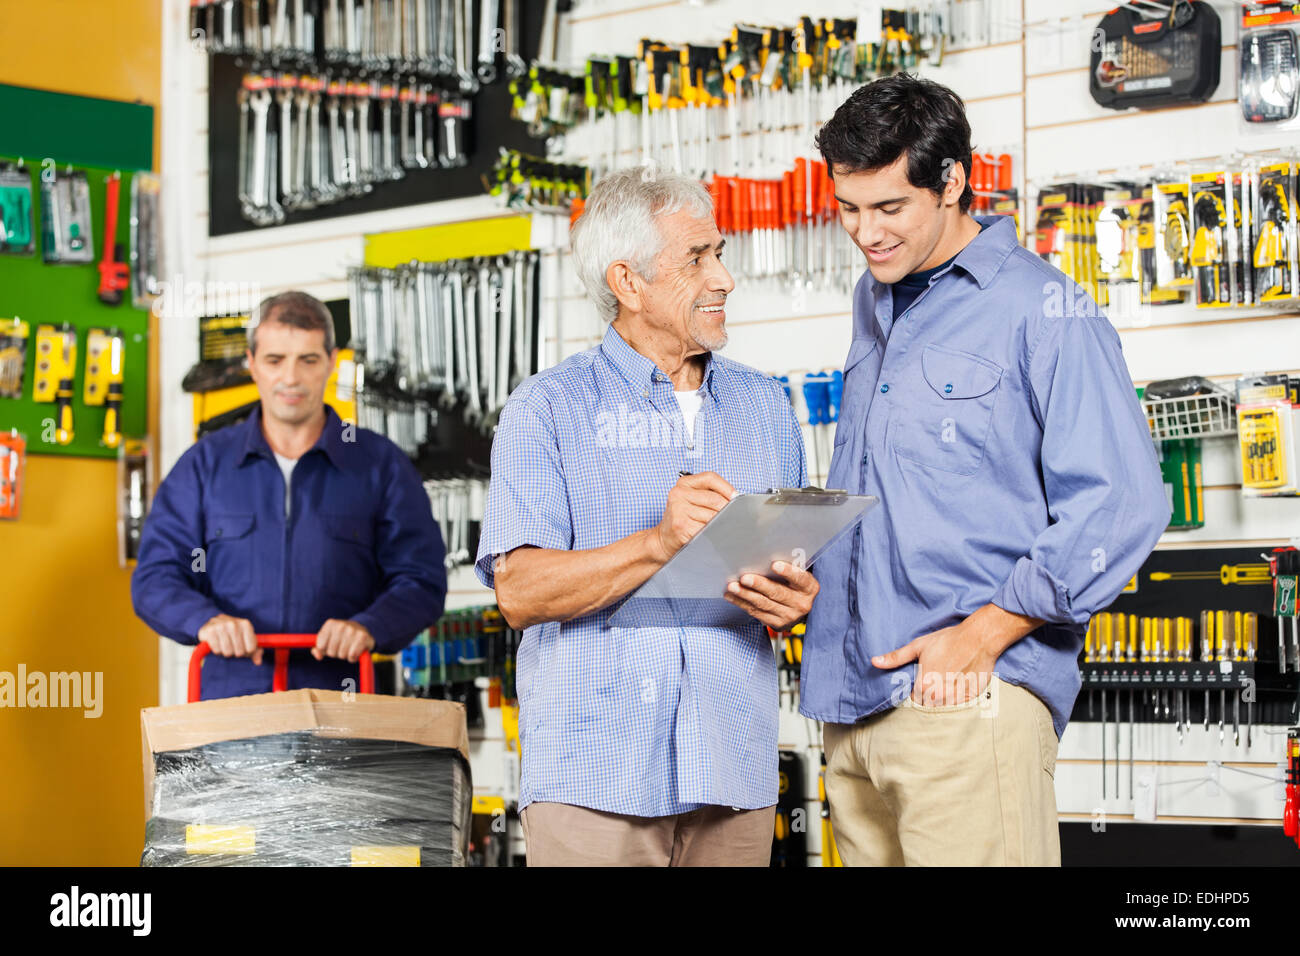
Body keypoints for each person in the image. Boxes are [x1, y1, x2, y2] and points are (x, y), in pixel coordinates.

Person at [802, 75, 1171, 866]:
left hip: (967, 700)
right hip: (853, 708)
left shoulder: (1043, 310)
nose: (866, 233)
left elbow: (1125, 503)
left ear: (952, 183)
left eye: (889, 207)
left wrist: (983, 637)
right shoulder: (876, 301)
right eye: (849, 208)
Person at [476, 167, 816, 866]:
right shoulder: (547, 410)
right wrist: (659, 542)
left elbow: (792, 572)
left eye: (719, 253)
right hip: (595, 780)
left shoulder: (765, 407)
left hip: (732, 771)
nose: (724, 278)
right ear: (627, 283)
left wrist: (793, 599)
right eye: (698, 259)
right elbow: (520, 593)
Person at [132, 291, 447, 698]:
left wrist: (370, 625)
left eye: (308, 360)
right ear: (252, 364)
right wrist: (205, 621)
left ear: (332, 362)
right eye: (275, 360)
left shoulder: (379, 464)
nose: (291, 378)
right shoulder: (203, 466)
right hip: (232, 713)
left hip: (343, 709)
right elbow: (155, 576)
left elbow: (421, 579)